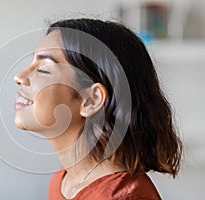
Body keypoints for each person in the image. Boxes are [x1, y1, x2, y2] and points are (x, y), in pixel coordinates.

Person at [13, 18, 182, 200]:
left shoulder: (125, 196)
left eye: (44, 69)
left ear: (91, 100)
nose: (19, 76)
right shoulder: (62, 181)